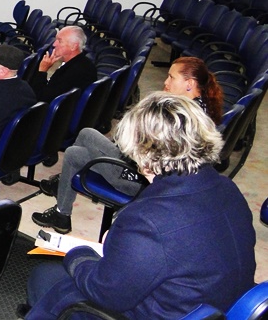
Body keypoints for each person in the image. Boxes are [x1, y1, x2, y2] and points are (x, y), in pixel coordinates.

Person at [25, 93, 255, 319]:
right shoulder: (228, 189)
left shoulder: (147, 220)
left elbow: (105, 292)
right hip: (217, 307)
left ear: (143, 153)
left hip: (166, 311)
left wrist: (78, 254)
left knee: (45, 277)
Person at [32, 56, 225, 234]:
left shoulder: (181, 118)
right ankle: (62, 214)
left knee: (87, 134)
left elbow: (149, 157)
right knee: (74, 153)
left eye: (171, 77)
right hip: (141, 170)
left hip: (137, 177)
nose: (166, 82)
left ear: (189, 84)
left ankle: (60, 187)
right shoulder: (197, 109)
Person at [28, 26, 97, 103]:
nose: (54, 44)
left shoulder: (74, 72)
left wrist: (42, 71)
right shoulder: (84, 62)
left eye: (59, 41)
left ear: (73, 46)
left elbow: (40, 97)